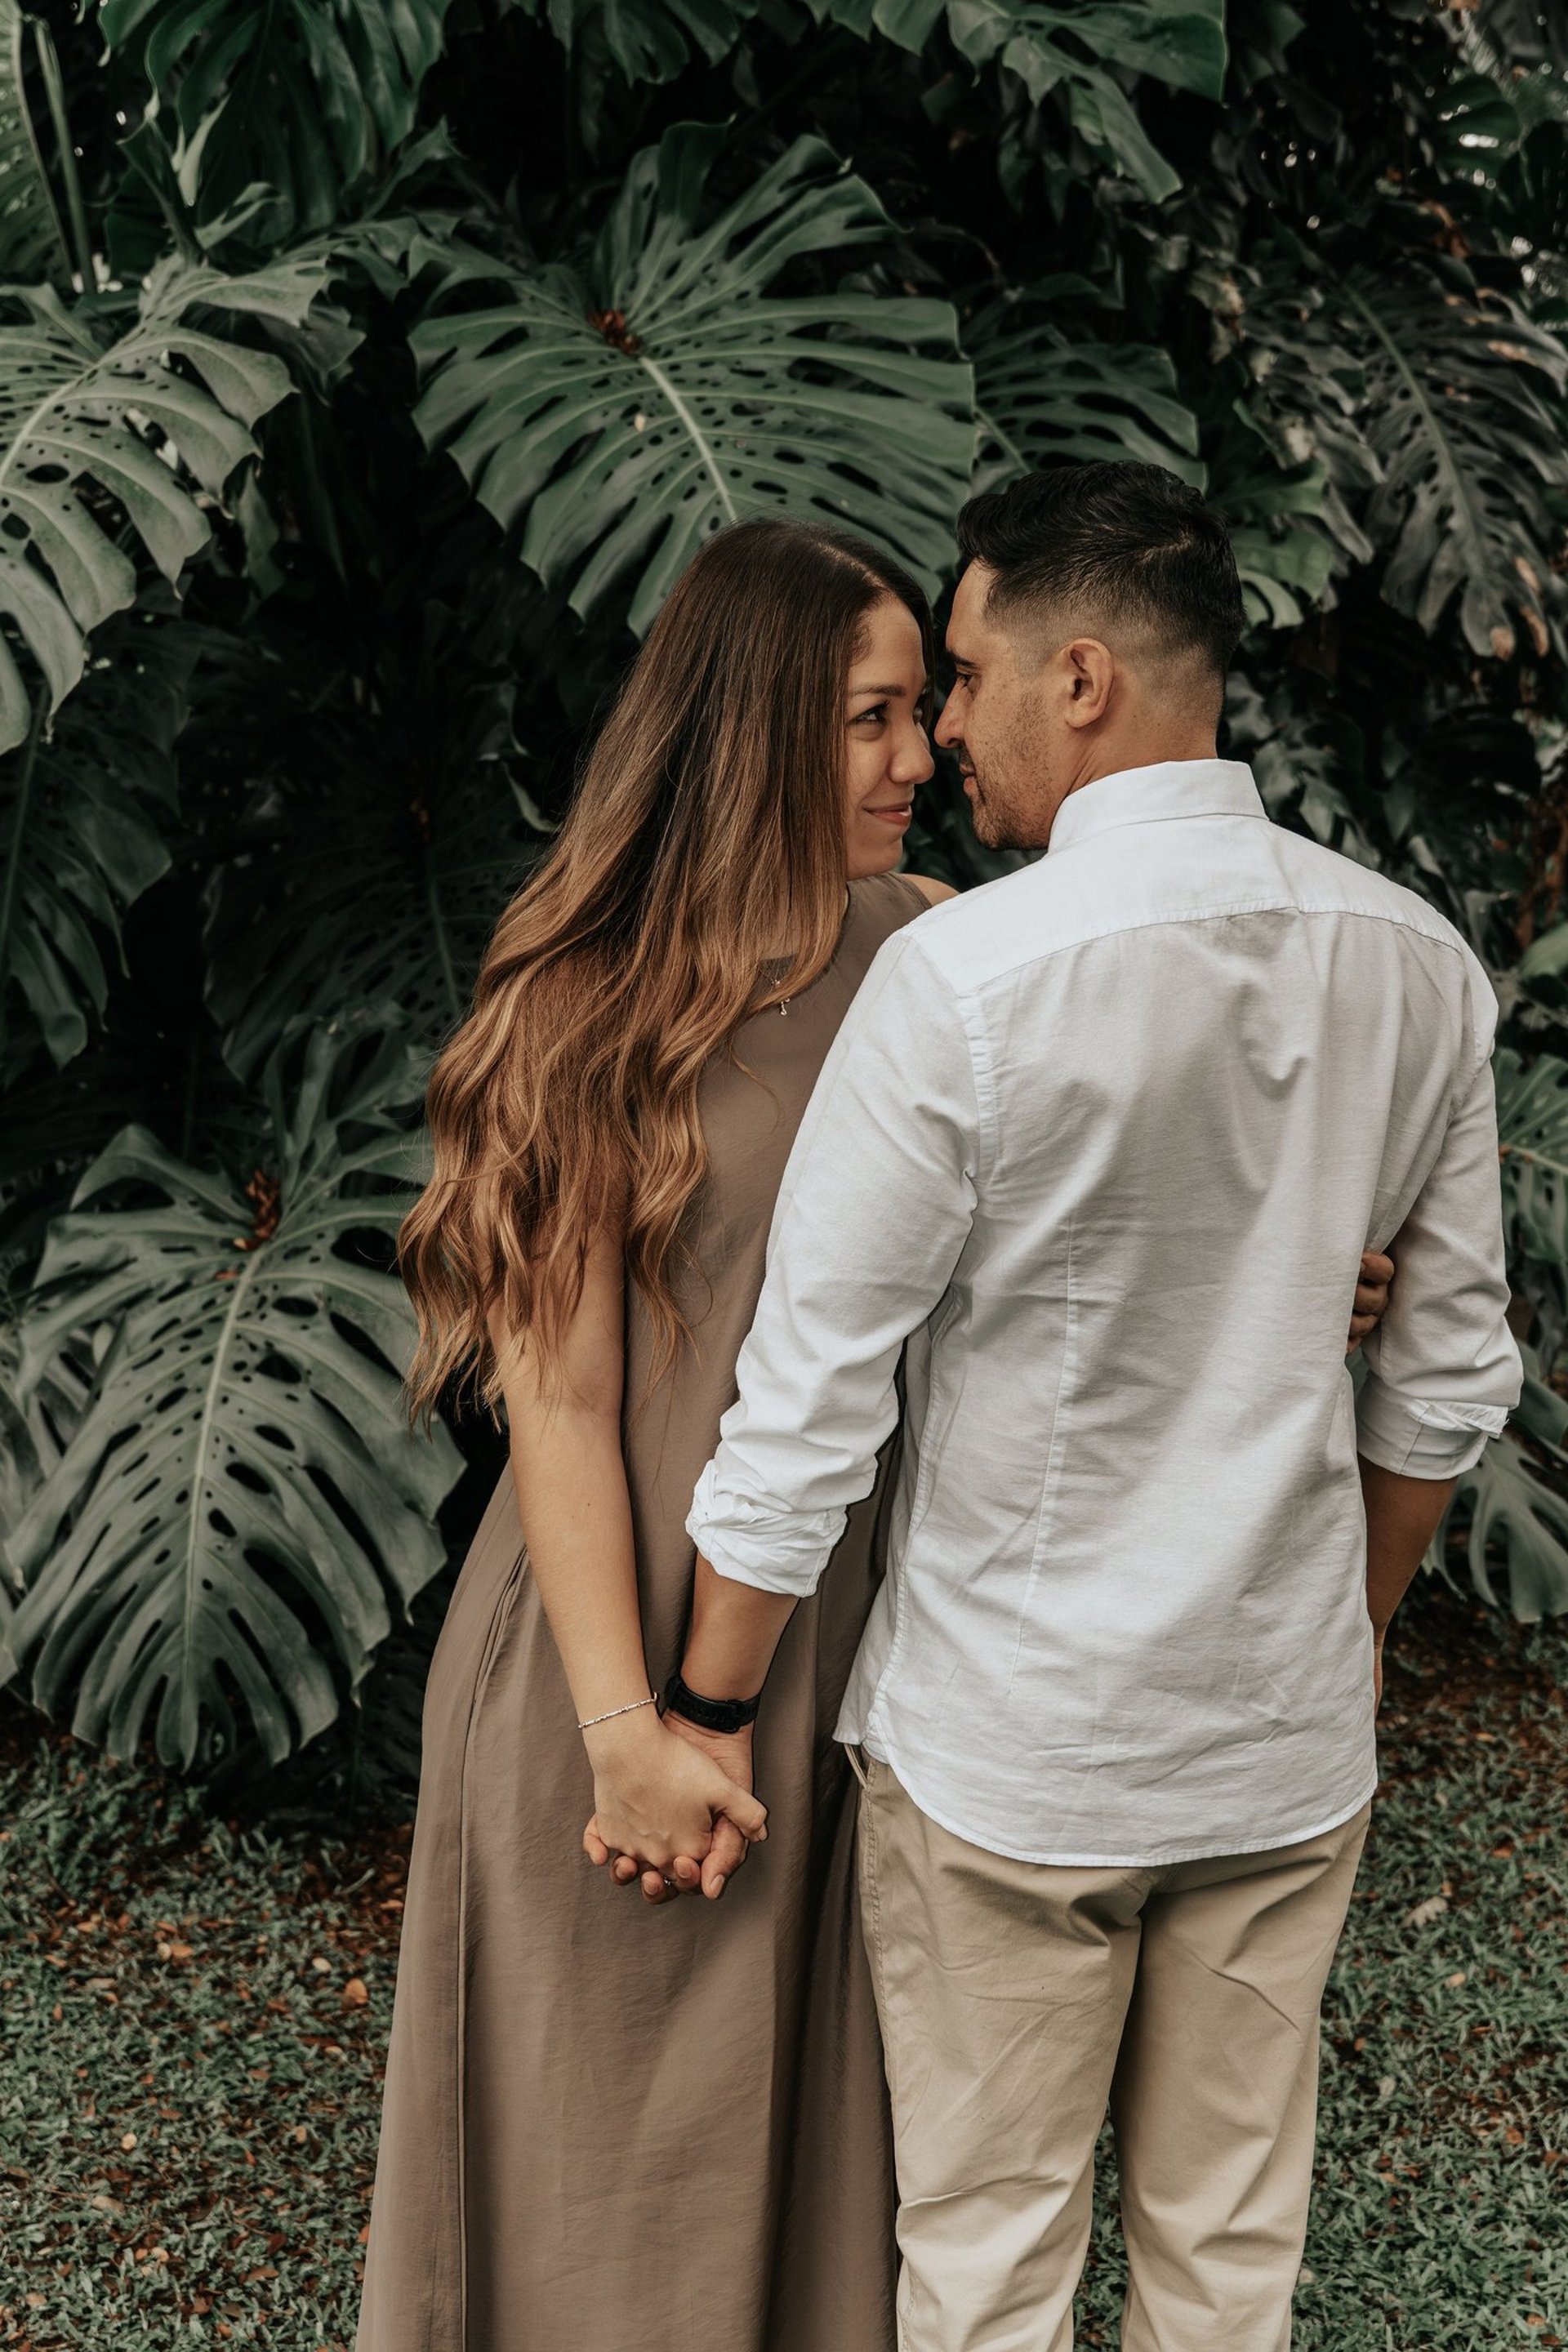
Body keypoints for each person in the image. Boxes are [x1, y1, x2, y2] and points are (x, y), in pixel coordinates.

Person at [355, 506, 1392, 2352]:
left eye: (928, 710)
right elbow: (561, 1400)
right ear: (746, 725)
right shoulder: (580, 1011)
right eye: (871, 717)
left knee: (842, 2157)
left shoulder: (935, 948)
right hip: (629, 1636)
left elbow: (1116, 1214)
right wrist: (631, 1727)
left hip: (870, 1645)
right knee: (612, 2160)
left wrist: (1320, 1272)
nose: (926, 759)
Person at [665, 463, 1521, 2352]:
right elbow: (1446, 1377)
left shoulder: (967, 979)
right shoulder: (1416, 964)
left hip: (1015, 1751)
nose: (942, 726)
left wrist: (705, 1704)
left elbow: (814, 1398)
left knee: (985, 2264)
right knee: (1230, 2263)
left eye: (960, 677)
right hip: (1280, 1744)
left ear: (1079, 678)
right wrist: (1338, 1638)